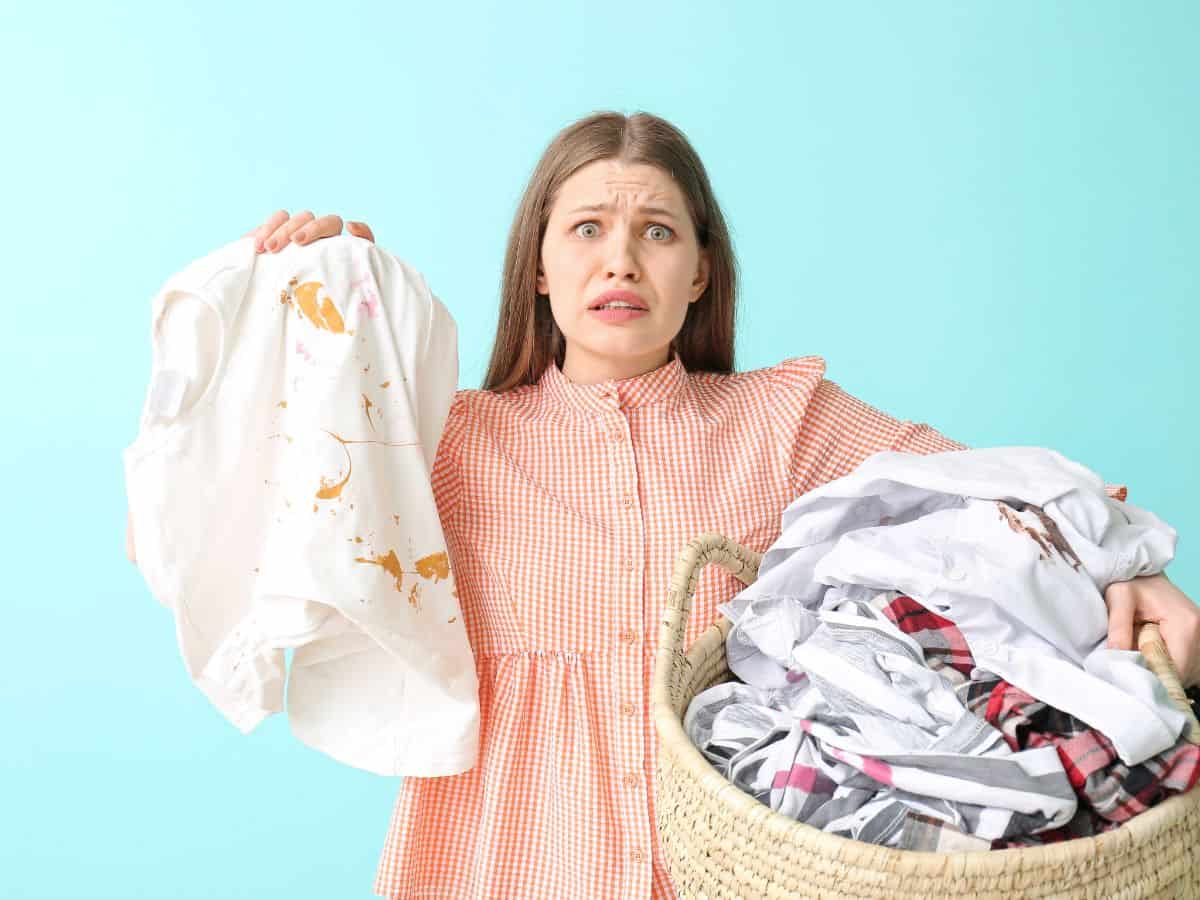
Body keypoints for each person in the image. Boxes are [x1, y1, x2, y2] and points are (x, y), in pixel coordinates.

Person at [128, 110, 1200, 899]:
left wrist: (1123, 559)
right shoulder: (442, 438)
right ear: (538, 270)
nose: (621, 258)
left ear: (700, 274)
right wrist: (300, 308)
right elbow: (269, 497)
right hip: (503, 852)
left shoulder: (784, 421)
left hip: (736, 857)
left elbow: (985, 497)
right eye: (586, 228)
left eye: (657, 231)